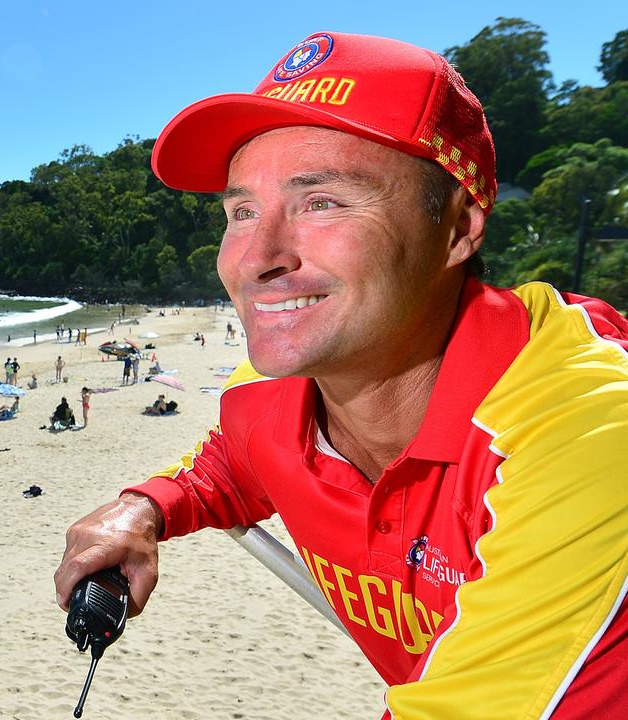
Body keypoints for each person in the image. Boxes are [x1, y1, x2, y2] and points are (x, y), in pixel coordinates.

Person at [54, 31, 628, 718]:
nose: (257, 258)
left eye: (322, 201)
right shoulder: (269, 393)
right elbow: (232, 466)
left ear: (458, 226)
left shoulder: (587, 432)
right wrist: (145, 506)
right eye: (242, 212)